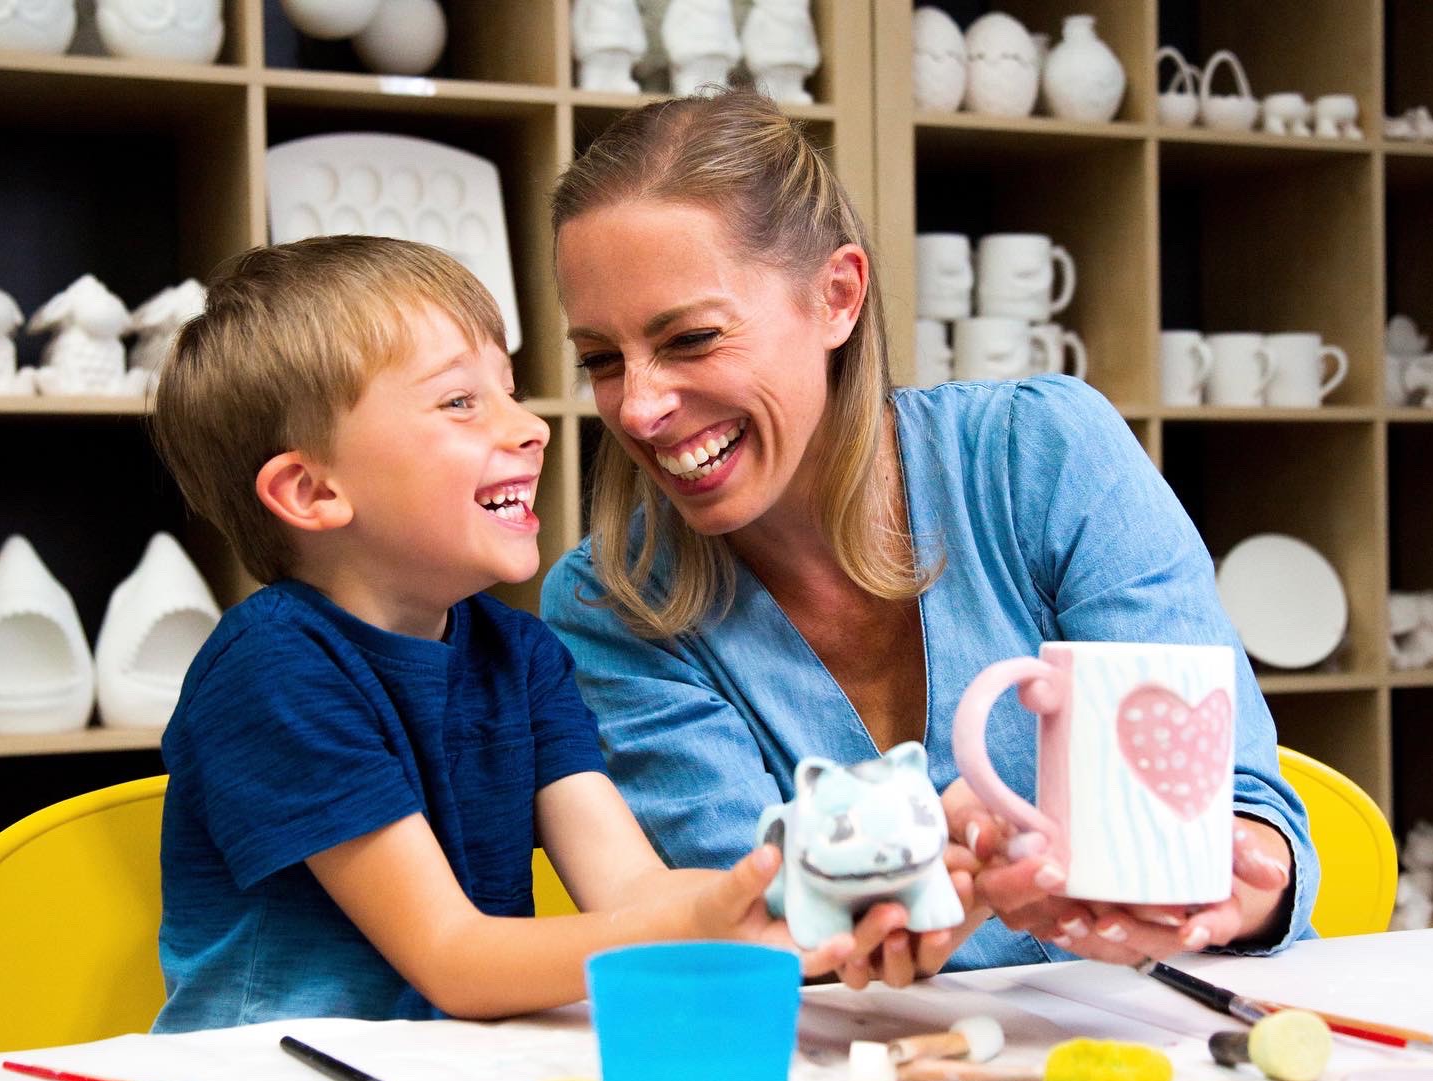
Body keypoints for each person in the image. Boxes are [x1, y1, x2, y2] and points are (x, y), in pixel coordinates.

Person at [540, 89, 1316, 989]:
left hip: (1178, 1040)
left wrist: (1234, 879)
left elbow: (1247, 814)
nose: (636, 408)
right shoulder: (613, 603)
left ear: (837, 296)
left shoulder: (1043, 455)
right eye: (600, 359)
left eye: (692, 338)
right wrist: (869, 905)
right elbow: (745, 921)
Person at [148, 235, 887, 1033]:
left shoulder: (521, 656)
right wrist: (709, 922)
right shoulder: (273, 670)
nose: (530, 428)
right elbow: (454, 958)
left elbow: (632, 891)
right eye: (460, 402)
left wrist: (804, 898)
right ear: (312, 489)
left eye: (511, 390)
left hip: (448, 1079)